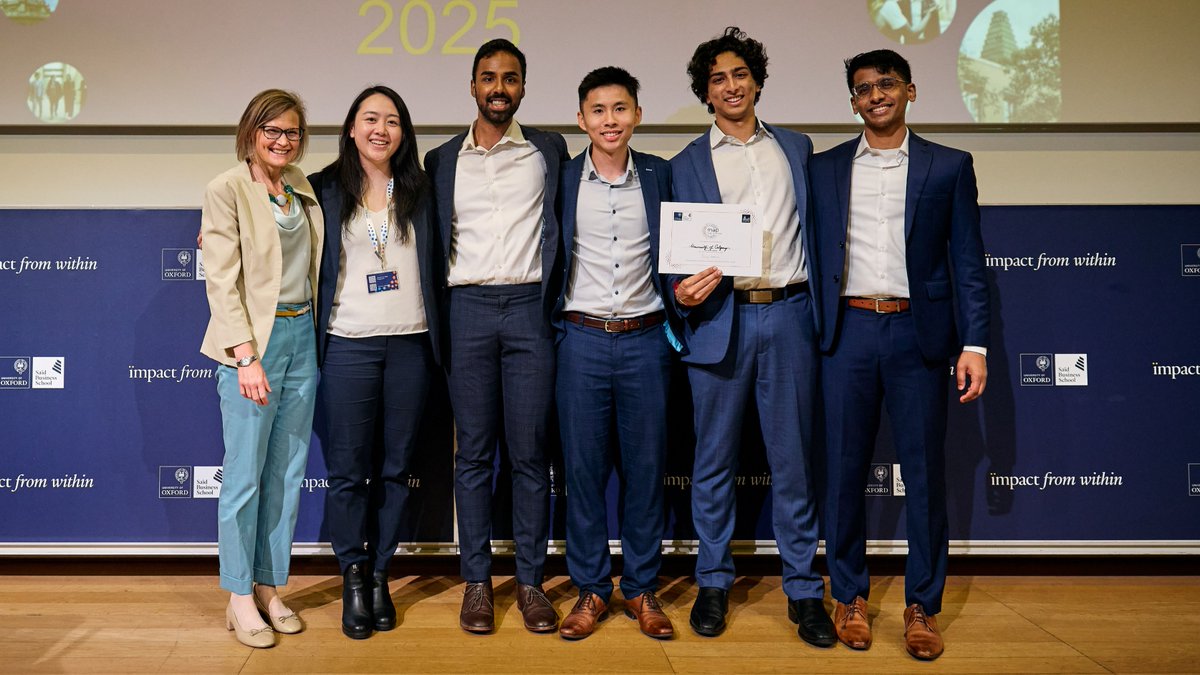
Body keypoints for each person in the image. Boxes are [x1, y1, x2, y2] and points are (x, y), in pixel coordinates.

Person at [810, 49, 989, 661]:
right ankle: (850, 596)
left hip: (919, 335)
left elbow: (968, 262)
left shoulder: (948, 166)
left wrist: (976, 343)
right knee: (841, 474)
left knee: (926, 477)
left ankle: (922, 605)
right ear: (853, 101)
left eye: (886, 84)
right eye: (863, 88)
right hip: (848, 332)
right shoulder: (824, 167)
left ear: (911, 90)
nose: (875, 95)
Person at [669, 26, 834, 646]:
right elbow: (671, 256)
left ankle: (802, 591)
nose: (731, 85)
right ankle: (713, 582)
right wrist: (679, 295)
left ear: (757, 81)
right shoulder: (685, 163)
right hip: (718, 319)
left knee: (793, 463)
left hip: (789, 314)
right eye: (717, 78)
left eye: (739, 74)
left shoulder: (796, 147)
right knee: (711, 462)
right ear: (705, 93)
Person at [423, 38, 568, 634]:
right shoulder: (440, 161)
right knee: (474, 454)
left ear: (524, 87)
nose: (499, 88)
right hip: (469, 308)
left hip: (532, 308)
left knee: (531, 453)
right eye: (488, 77)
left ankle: (531, 582)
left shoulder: (549, 151)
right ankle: (477, 582)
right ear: (473, 86)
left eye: (510, 78)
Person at [308, 86, 441, 640]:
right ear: (351, 128)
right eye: (370, 118)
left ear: (404, 133)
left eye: (392, 120)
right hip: (349, 344)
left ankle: (382, 570)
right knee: (347, 473)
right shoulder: (320, 189)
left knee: (393, 469)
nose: (380, 129)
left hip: (411, 343)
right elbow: (268, 221)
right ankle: (353, 577)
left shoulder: (424, 190)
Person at [553, 66, 677, 641]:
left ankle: (642, 588)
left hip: (647, 339)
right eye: (598, 111)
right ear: (581, 119)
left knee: (646, 472)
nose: (610, 120)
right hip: (579, 339)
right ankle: (590, 589)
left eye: (620, 108)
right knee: (581, 473)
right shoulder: (560, 177)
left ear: (637, 115)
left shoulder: (660, 175)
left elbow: (683, 250)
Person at [200, 89, 323, 649]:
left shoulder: (303, 187)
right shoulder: (226, 189)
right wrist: (245, 356)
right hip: (253, 341)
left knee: (287, 474)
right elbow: (221, 281)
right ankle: (238, 596)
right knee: (245, 475)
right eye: (271, 130)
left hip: (304, 335)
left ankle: (271, 586)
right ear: (251, 132)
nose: (282, 141)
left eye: (292, 132)